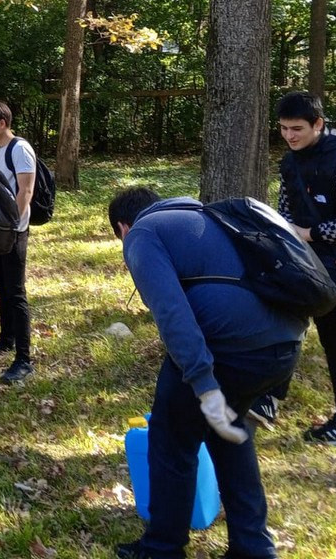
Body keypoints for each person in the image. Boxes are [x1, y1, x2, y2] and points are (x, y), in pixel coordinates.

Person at [107, 186, 304, 559]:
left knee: (170, 440)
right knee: (230, 433)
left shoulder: (143, 235)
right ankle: (253, 547)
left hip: (229, 351)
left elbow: (173, 315)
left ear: (123, 227)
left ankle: (163, 548)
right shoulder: (212, 216)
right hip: (283, 344)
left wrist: (203, 384)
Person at [248, 91, 336, 448]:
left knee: (313, 320)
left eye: (297, 129)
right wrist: (286, 235)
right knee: (289, 310)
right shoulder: (291, 161)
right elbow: (285, 210)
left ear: (318, 124)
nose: (290, 136)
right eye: (283, 129)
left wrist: (310, 233)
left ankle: (272, 398)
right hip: (312, 257)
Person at [0, 101, 37, 383]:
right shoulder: (0, 152)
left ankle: (24, 359)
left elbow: (25, 190)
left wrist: (12, 225)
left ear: (2, 123)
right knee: (1, 287)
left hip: (12, 231)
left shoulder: (20, 149)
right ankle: (6, 338)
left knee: (15, 292)